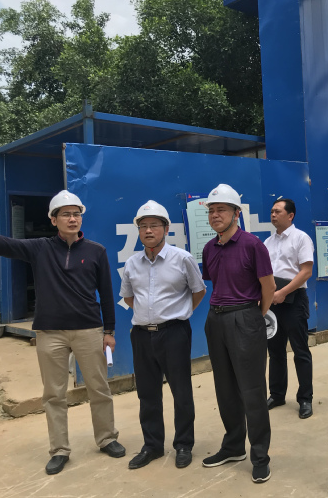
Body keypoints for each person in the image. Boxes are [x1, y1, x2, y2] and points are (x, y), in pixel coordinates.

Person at [0, 190, 125, 475]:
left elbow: (107, 293)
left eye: (76, 214)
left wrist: (109, 331)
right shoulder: (39, 248)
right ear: (53, 219)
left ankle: (107, 438)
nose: (72, 219)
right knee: (53, 394)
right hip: (50, 333)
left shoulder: (96, 251)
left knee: (99, 388)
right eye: (66, 214)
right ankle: (59, 449)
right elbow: (5, 244)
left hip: (89, 329)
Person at [120, 200, 206, 470]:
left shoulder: (183, 259)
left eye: (154, 225)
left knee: (181, 391)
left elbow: (199, 291)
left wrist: (178, 313)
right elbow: (129, 297)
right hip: (141, 335)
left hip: (174, 333)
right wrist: (148, 316)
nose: (148, 230)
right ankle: (153, 445)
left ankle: (184, 444)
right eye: (143, 226)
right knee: (147, 394)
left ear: (166, 229)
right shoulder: (132, 263)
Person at [200, 184, 276, 484]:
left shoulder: (252, 245)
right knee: (225, 388)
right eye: (211, 210)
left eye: (221, 209)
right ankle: (233, 446)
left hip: (245, 317)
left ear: (236, 213)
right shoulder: (209, 248)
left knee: (252, 390)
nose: (215, 215)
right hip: (216, 319)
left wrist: (253, 316)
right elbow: (214, 283)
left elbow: (268, 287)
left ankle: (260, 456)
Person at [264, 198, 315, 419]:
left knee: (300, 350)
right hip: (272, 302)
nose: (273, 215)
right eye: (272, 211)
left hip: (294, 300)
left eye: (277, 211)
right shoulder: (267, 242)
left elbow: (306, 271)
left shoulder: (301, 238)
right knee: (275, 351)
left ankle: (305, 399)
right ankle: (277, 395)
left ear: (290, 215)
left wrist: (283, 292)